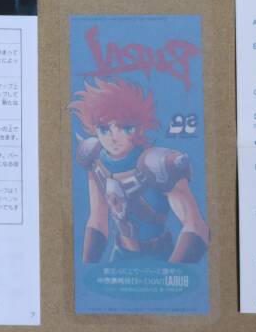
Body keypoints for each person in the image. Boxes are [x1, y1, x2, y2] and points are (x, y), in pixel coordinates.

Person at [69, 78, 210, 264]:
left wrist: (175, 271)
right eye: (104, 129)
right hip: (119, 256)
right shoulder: (95, 160)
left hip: (160, 257)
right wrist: (88, 268)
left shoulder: (158, 164)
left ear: (140, 127)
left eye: (125, 127)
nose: (113, 137)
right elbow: (97, 219)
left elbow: (197, 227)